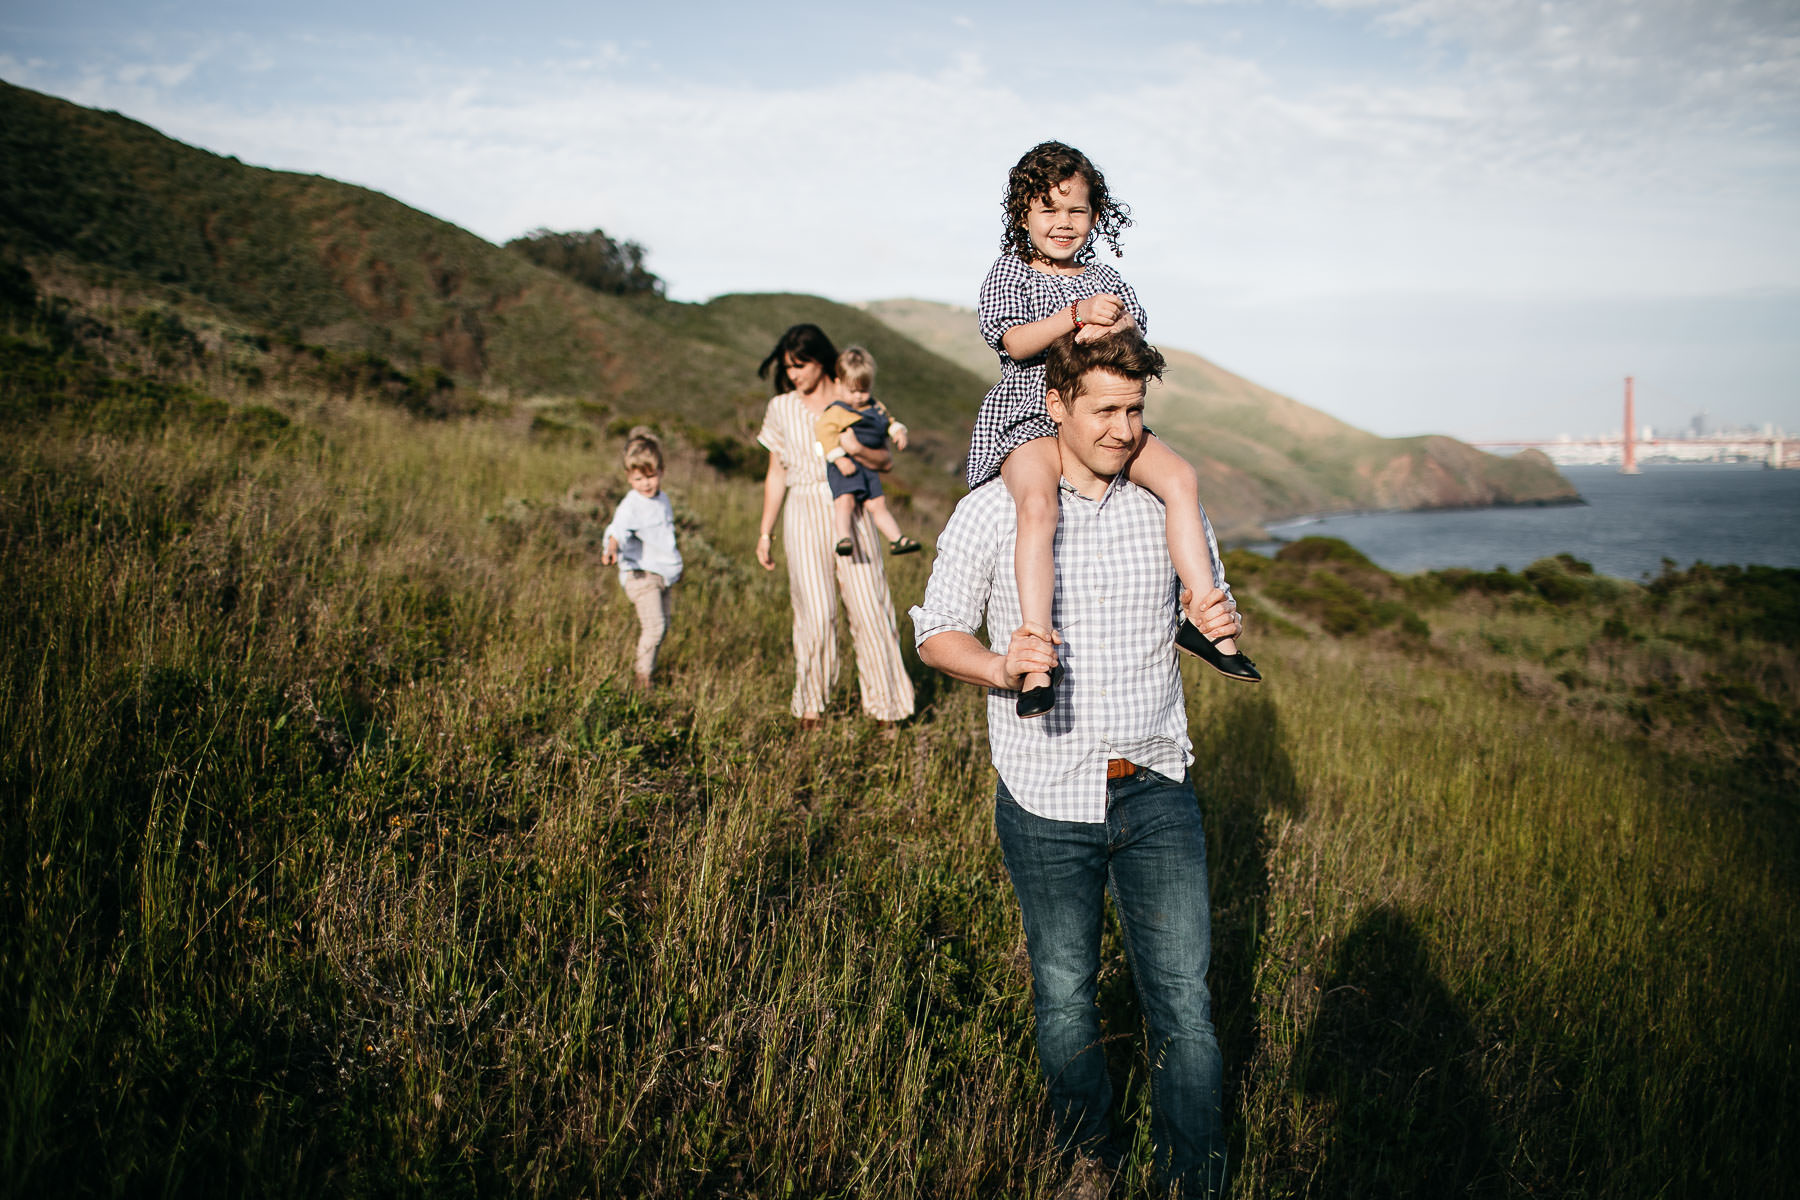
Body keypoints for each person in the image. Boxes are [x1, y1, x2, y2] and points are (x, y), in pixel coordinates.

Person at [912, 329, 1240, 1197]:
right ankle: (1086, 1160)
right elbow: (936, 630)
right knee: (1064, 997)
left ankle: (1191, 1180)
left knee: (1185, 1007)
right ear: (1056, 406)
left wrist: (1217, 618)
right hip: (1046, 793)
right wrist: (995, 666)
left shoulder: (1168, 508)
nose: (1124, 429)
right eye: (1105, 410)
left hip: (1156, 784)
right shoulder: (994, 509)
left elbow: (1209, 601)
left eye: (1137, 411)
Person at [971, 140, 1258, 718]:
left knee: (1180, 477)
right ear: (1022, 215)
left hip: (1103, 418)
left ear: (1095, 216)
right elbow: (1011, 341)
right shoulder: (1011, 273)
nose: (1062, 223)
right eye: (1048, 210)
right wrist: (1075, 317)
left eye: (1076, 211)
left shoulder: (1108, 280)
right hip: (1030, 417)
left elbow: (1135, 343)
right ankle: (1035, 657)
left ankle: (1206, 618)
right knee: (1037, 506)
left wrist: (1115, 320)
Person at [755, 324, 916, 729]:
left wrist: (860, 448)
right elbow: (776, 473)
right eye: (789, 368)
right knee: (815, 611)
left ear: (823, 361)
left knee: (870, 606)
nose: (795, 375)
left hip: (854, 506)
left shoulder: (857, 399)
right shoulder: (781, 407)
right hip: (803, 508)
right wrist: (765, 531)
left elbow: (885, 462)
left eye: (801, 365)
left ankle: (887, 711)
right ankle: (811, 708)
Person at [814, 345, 922, 558]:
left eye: (863, 391)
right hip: (845, 465)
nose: (858, 397)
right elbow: (823, 433)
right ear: (838, 385)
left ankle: (896, 539)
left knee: (877, 503)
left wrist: (898, 431)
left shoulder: (875, 406)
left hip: (868, 467)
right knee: (844, 500)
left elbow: (888, 421)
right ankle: (843, 537)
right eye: (851, 391)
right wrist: (838, 458)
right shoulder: (836, 411)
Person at [601, 427, 682, 691]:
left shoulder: (663, 499)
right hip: (640, 574)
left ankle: (649, 669)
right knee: (655, 626)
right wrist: (612, 546)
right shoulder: (632, 504)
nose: (645, 483)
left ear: (661, 471)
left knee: (664, 626)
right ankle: (642, 679)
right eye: (638, 478)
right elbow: (618, 528)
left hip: (662, 574)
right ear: (628, 478)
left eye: (650, 476)